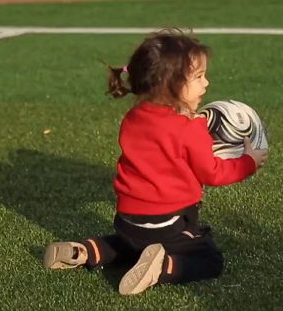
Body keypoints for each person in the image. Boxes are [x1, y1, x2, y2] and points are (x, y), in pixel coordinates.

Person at [44, 29, 267, 295]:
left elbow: (160, 152)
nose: (206, 84)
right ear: (169, 85)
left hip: (127, 220)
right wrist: (249, 161)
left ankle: (82, 251)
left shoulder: (134, 117)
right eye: (198, 77)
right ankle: (163, 268)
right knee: (208, 257)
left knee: (130, 245)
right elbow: (214, 173)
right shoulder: (189, 128)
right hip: (170, 223)